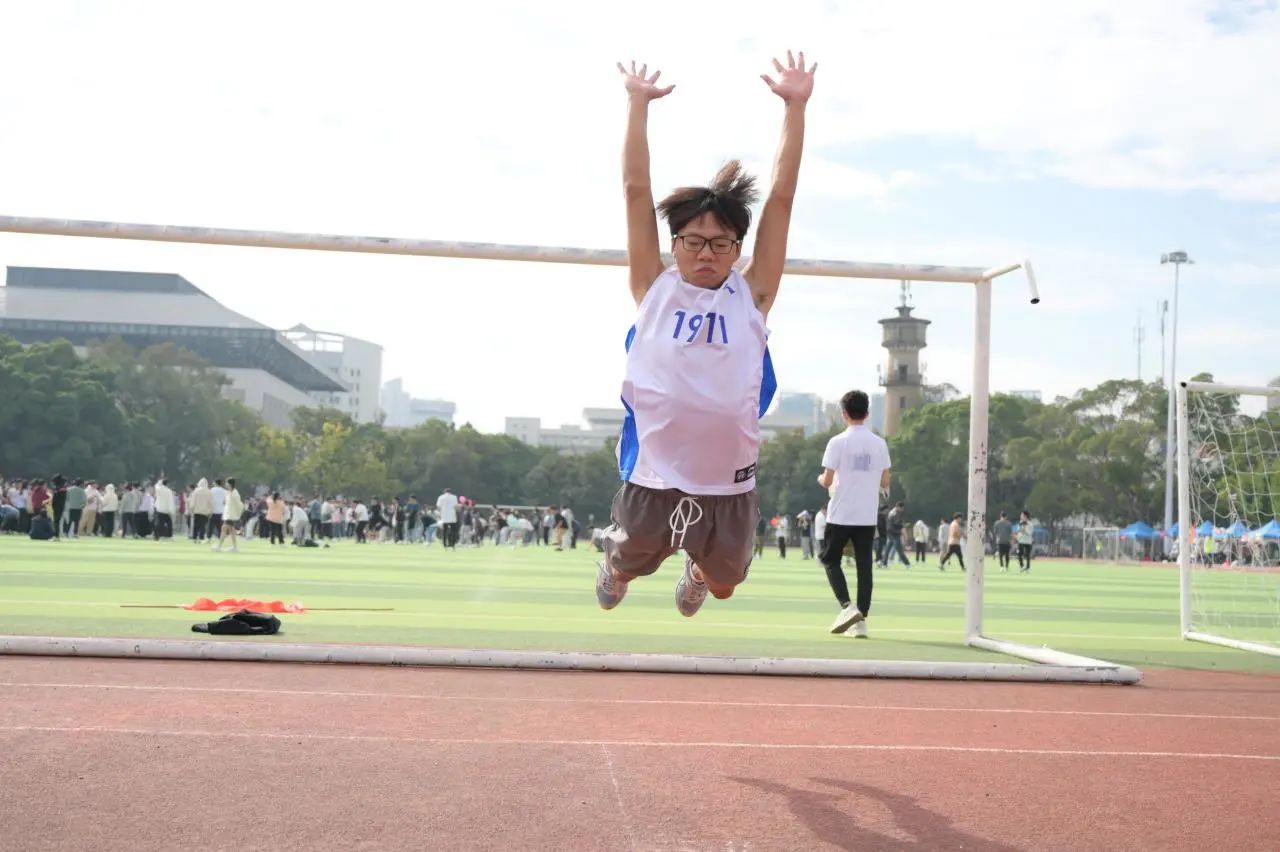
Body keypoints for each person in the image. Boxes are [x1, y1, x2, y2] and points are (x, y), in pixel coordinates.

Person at [596, 50, 816, 618]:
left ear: (737, 249)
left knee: (723, 585)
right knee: (628, 563)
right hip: (654, 469)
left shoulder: (752, 294)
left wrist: (795, 108)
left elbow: (782, 199)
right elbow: (635, 191)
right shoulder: (654, 286)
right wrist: (637, 104)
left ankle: (699, 571)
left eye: (720, 244)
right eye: (693, 241)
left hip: (728, 478)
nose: (705, 253)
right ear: (675, 244)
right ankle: (614, 565)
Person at [816, 390, 890, 638]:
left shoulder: (837, 442)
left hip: (840, 513)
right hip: (867, 515)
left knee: (829, 559)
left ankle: (847, 607)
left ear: (844, 414)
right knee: (864, 566)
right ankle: (861, 621)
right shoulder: (879, 443)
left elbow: (827, 480)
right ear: (867, 413)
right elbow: (886, 481)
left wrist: (821, 479)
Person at [213, 477, 244, 553]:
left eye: (227, 483)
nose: (225, 484)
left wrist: (238, 514)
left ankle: (219, 546)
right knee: (231, 530)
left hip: (231, 515)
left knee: (224, 529)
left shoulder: (235, 493)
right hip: (228, 514)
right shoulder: (229, 492)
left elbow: (239, 504)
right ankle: (234, 547)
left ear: (230, 484)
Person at [884, 501, 910, 568]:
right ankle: (907, 563)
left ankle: (884, 563)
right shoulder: (896, 513)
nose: (903, 510)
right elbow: (897, 523)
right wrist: (903, 525)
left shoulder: (891, 512)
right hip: (895, 533)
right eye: (902, 508)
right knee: (899, 549)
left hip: (890, 532)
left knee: (887, 549)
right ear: (898, 507)